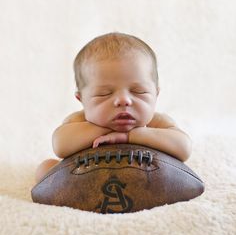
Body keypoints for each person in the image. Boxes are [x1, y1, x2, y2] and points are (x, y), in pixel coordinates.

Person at [34, 32, 192, 184]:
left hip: (145, 177)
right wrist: (103, 129)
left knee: (178, 176)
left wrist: (129, 136)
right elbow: (60, 145)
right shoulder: (79, 121)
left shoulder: (157, 123)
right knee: (46, 168)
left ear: (155, 94)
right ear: (81, 100)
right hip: (87, 177)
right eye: (104, 94)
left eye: (139, 92)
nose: (124, 100)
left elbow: (184, 148)